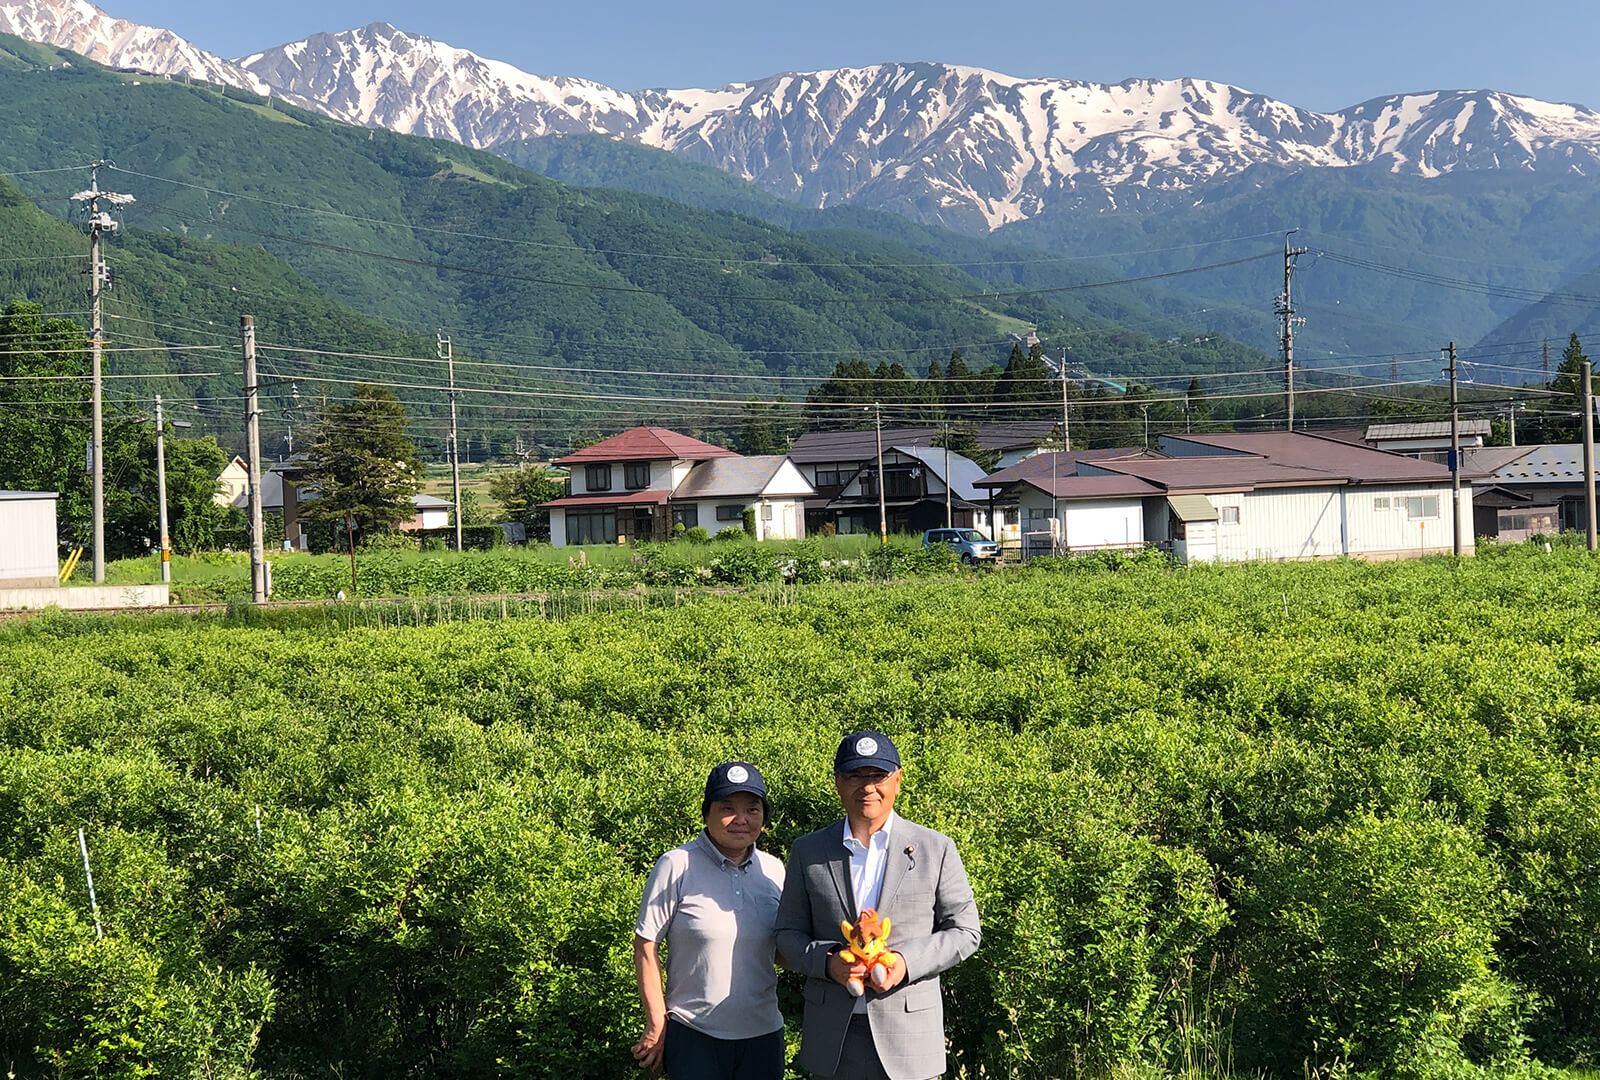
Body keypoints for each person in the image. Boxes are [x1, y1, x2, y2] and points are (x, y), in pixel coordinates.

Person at [775, 731, 981, 1080]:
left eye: (877, 776)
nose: (867, 787)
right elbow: (786, 935)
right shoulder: (808, 851)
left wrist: (904, 962)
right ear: (838, 783)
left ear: (897, 780)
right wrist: (828, 963)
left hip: (909, 1038)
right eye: (855, 776)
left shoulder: (936, 848)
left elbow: (965, 931)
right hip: (833, 1038)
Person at [632, 761, 787, 1080]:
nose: (741, 819)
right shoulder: (676, 865)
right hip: (694, 1035)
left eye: (752, 809)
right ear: (707, 813)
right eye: (728, 808)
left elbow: (783, 949)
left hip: (763, 1037)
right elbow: (646, 946)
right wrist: (657, 1023)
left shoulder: (774, 871)